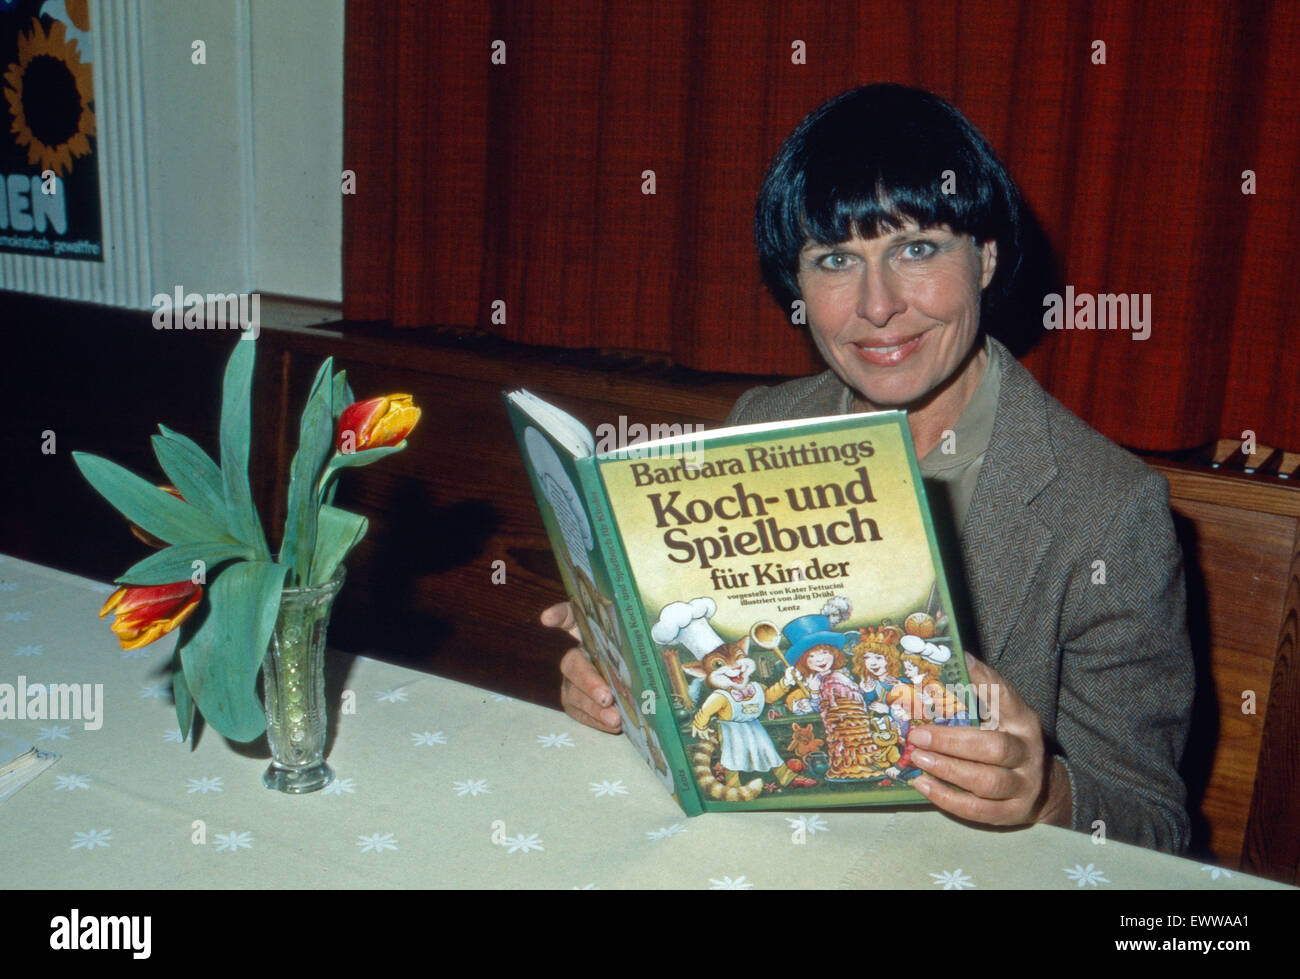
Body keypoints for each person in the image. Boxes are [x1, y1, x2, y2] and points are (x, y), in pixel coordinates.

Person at [544, 83, 1193, 854]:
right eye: (835, 259)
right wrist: (622, 687)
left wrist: (1047, 790)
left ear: (985, 257)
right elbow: (717, 684)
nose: (877, 306)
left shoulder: (1110, 510)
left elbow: (1157, 827)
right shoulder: (758, 425)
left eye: (916, 249)